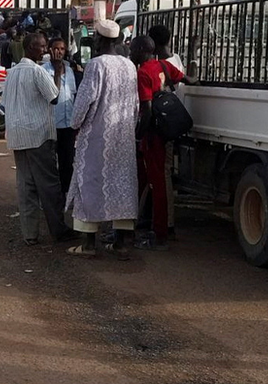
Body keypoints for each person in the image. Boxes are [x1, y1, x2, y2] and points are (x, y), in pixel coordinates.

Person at [67, 20, 139, 260]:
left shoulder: (96, 65)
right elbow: (135, 104)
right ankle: (122, 243)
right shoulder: (129, 66)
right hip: (124, 135)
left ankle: (88, 244)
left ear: (98, 39)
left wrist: (74, 124)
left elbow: (86, 98)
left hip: (97, 135)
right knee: (122, 185)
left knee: (89, 182)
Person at [2, 32, 75, 246]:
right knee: (49, 186)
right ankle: (59, 231)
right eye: (42, 47)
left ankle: (30, 233)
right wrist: (59, 74)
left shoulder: (13, 72)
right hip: (38, 135)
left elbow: (6, 101)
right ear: (31, 48)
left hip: (18, 135)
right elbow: (55, 97)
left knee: (26, 186)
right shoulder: (37, 71)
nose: (46, 50)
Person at [131, 35, 197, 250]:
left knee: (155, 182)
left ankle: (159, 233)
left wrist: (138, 135)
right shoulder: (164, 65)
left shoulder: (143, 72)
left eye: (133, 49)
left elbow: (147, 109)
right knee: (161, 179)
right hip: (168, 131)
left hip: (154, 134)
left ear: (141, 50)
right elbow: (188, 80)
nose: (130, 52)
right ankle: (162, 228)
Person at [43, 37, 77, 197]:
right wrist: (56, 72)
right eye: (56, 48)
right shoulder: (44, 70)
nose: (59, 52)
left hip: (68, 124)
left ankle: (65, 194)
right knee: (49, 163)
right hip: (51, 123)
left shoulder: (70, 70)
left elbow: (73, 95)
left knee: (67, 162)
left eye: (62, 49)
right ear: (49, 50)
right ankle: (51, 195)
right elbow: (53, 96)